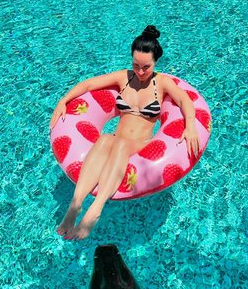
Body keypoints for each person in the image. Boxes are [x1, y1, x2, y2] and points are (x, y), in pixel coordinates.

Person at [49, 25, 201, 240]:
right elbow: (89, 84)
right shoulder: (124, 77)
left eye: (146, 67)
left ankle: (96, 209)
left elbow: (185, 101)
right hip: (116, 139)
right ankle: (75, 206)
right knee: (104, 139)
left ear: (156, 62)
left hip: (140, 145)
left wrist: (190, 126)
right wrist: (63, 101)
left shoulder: (163, 83)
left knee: (119, 144)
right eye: (136, 65)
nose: (140, 72)